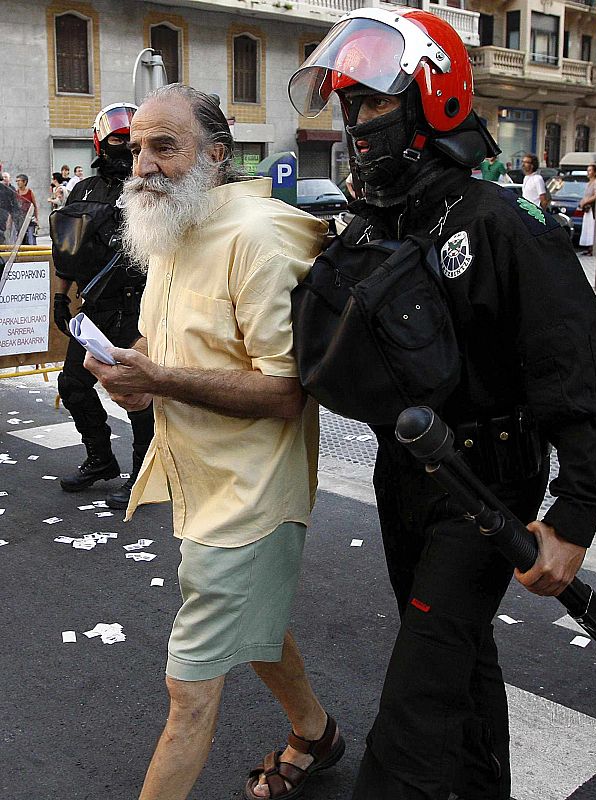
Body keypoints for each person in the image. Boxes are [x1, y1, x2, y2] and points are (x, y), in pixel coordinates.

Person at [288, 9, 596, 800]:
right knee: (461, 666)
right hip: (404, 479)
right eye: (348, 107)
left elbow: (577, 368)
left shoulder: (503, 222)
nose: (356, 125)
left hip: (485, 488)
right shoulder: (373, 228)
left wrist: (574, 517)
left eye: (370, 104)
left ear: (431, 99)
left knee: (416, 705)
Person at [84, 84, 343, 800]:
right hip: (200, 482)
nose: (143, 165)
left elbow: (287, 391)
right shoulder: (170, 228)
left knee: (188, 690)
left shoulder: (255, 238)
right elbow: (164, 346)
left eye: (164, 146)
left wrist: (158, 376)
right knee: (256, 627)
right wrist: (129, 371)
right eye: (137, 148)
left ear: (217, 155)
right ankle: (317, 736)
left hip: (254, 497)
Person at [50, 102, 155, 509]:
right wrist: (61, 295)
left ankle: (142, 477)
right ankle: (100, 459)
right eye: (118, 138)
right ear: (101, 141)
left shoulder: (150, 184)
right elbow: (67, 250)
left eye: (133, 140)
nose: (125, 145)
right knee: (73, 385)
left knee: (137, 396)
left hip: (137, 309)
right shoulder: (83, 190)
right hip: (94, 306)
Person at [578, 162, 596, 256]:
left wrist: (586, 201)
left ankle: (593, 248)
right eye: (587, 170)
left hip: (592, 208)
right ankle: (588, 247)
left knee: (592, 228)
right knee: (587, 228)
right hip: (586, 209)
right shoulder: (588, 183)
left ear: (595, 172)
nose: (588, 172)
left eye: (590, 170)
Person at [15, 174, 39, 245]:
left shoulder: (30, 192)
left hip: (29, 218)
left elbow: (34, 206)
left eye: (19, 181)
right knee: (20, 237)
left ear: (24, 182)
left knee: (31, 237)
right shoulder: (16, 193)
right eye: (17, 181)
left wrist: (37, 219)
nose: (18, 183)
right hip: (20, 219)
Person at [0, 177, 19, 245]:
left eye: (6, 177)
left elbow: (14, 203)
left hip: (5, 213)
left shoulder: (11, 189)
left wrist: (12, 215)